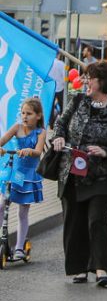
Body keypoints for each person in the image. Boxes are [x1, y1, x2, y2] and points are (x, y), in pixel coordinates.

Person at [52, 62, 107, 287]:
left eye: (91, 78)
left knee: (97, 220)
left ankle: (101, 268)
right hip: (73, 172)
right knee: (75, 220)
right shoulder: (78, 101)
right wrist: (58, 137)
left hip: (104, 175)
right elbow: (60, 124)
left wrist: (106, 151)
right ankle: (79, 268)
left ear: (102, 82)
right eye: (85, 78)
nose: (86, 81)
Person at [0, 98, 47, 261]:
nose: (25, 116)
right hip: (15, 171)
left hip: (29, 174)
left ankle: (19, 247)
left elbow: (38, 150)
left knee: (23, 211)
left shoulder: (41, 132)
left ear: (38, 116)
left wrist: (30, 150)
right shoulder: (17, 127)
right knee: (2, 204)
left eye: (29, 113)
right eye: (23, 113)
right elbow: (4, 139)